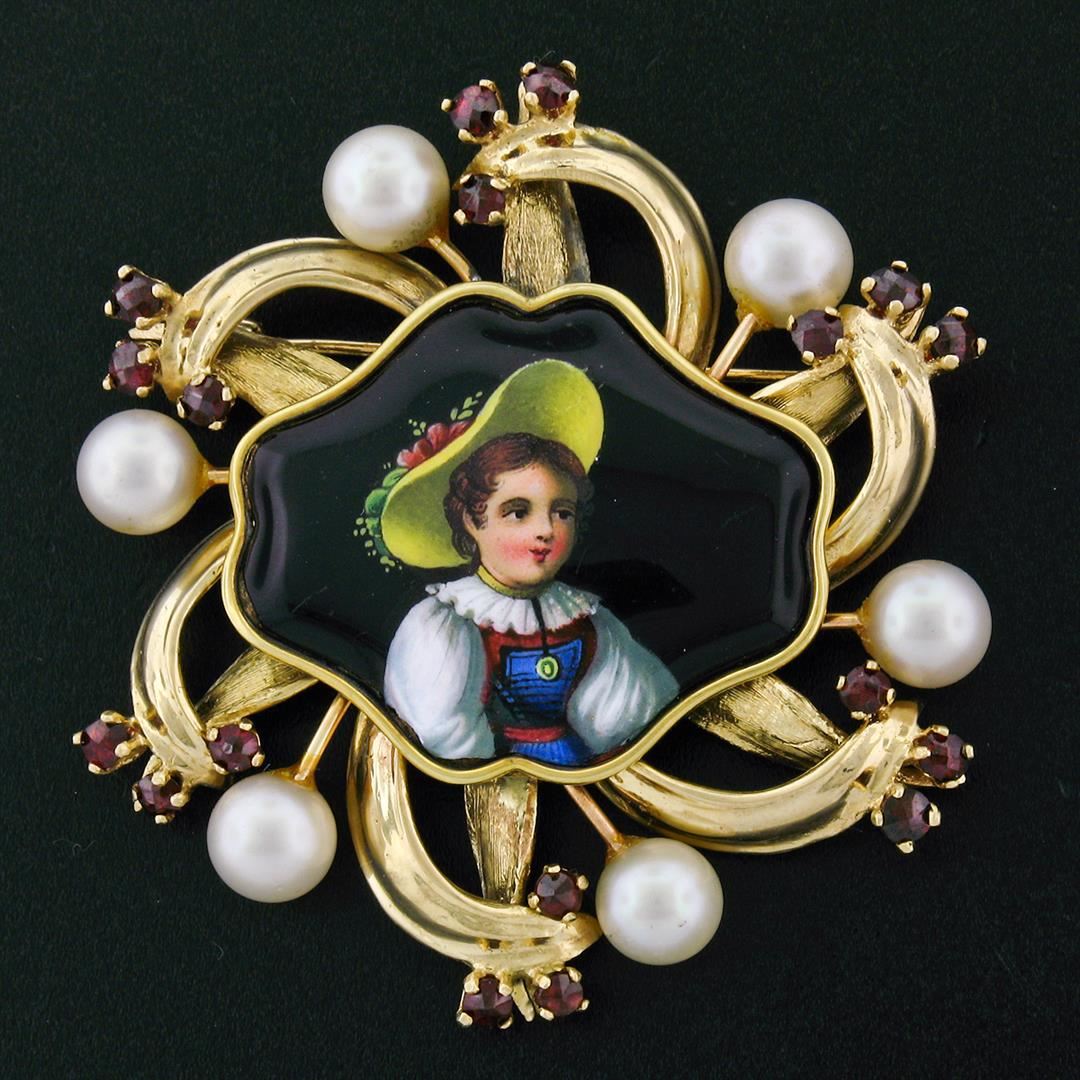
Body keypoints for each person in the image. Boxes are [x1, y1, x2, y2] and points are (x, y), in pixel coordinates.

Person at [376, 359, 677, 766]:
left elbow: (632, 718)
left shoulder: (589, 619)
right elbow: (442, 733)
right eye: (518, 512)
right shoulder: (445, 621)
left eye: (562, 512)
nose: (546, 530)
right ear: (472, 521)